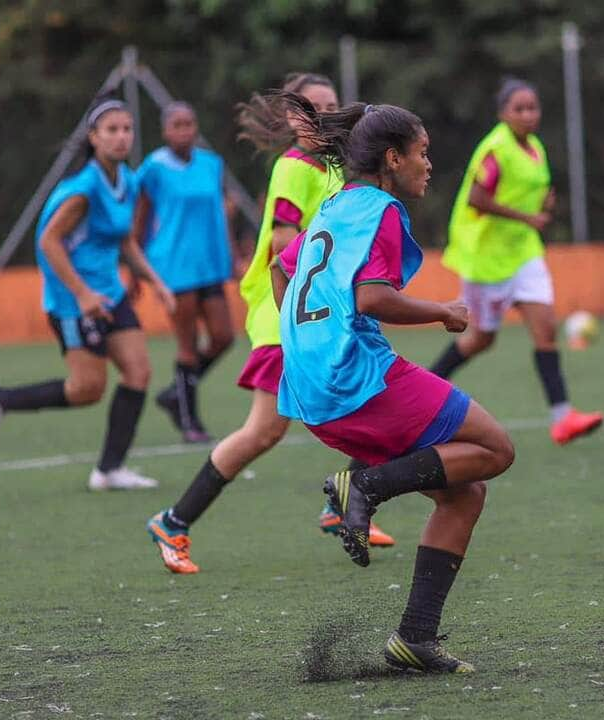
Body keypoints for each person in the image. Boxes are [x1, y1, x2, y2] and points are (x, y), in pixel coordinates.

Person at [271, 95, 515, 673]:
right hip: (352, 374)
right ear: (391, 158)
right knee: (496, 450)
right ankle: (367, 488)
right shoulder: (380, 209)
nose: (429, 164)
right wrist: (442, 313)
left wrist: (301, 343)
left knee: (465, 495)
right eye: (422, 153)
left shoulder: (335, 206)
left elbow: (282, 267)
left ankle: (415, 639)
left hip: (311, 382)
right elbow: (372, 297)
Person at [145, 73, 394, 575]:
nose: (324, 113)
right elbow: (285, 246)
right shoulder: (294, 168)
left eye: (331, 105)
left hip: (313, 313)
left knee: (375, 393)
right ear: (293, 119)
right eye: (312, 107)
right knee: (263, 431)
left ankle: (342, 504)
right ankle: (173, 521)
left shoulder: (333, 169)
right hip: (284, 315)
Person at [0, 97, 175, 490]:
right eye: (111, 130)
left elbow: (125, 241)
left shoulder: (128, 182)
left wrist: (157, 282)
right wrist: (81, 294)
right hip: (72, 300)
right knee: (86, 390)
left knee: (138, 372)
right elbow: (48, 243)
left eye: (127, 129)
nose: (121, 137)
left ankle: (109, 470)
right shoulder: (82, 190)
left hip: (109, 294)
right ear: (93, 138)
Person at [429, 77, 603, 445]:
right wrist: (528, 218)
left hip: (524, 253)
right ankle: (426, 388)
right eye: (519, 108)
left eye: (533, 107)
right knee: (482, 339)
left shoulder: (536, 147)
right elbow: (477, 197)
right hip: (487, 260)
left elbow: (527, 195)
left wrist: (541, 208)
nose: (527, 114)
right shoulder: (496, 150)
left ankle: (563, 418)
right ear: (503, 114)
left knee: (545, 328)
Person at [132, 101, 235, 443]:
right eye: (177, 124)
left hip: (210, 262)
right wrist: (134, 269)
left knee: (223, 337)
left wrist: (232, 255)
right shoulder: (154, 168)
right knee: (187, 344)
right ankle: (190, 422)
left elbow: (219, 213)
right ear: (165, 130)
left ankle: (174, 393)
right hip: (173, 265)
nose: (184, 130)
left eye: (189, 123)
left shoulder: (211, 164)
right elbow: (141, 217)